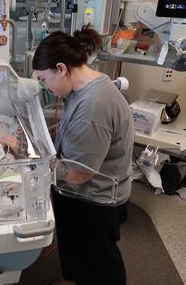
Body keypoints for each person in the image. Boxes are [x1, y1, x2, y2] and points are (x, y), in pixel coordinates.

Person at [33, 26, 134, 285]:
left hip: (96, 201)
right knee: (80, 256)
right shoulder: (85, 88)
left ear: (61, 69)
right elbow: (72, 130)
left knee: (99, 264)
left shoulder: (94, 105)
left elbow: (78, 175)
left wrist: (33, 159)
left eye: (43, 80)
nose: (46, 88)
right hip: (81, 197)